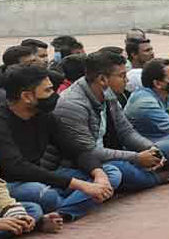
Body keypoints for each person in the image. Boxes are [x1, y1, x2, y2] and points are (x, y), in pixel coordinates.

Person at [0, 66, 121, 222]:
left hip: (42, 176)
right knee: (44, 194)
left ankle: (61, 213)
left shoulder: (45, 116)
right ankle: (74, 204)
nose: (55, 95)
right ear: (27, 96)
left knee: (112, 172)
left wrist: (99, 175)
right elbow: (16, 167)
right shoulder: (2, 121)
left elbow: (76, 149)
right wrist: (80, 186)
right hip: (11, 184)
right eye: (48, 91)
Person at [54, 50, 169, 192]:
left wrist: (150, 149)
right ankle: (162, 178)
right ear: (102, 79)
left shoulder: (108, 92)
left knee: (167, 149)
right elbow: (88, 152)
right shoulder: (73, 104)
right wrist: (136, 157)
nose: (127, 81)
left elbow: (126, 132)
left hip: (103, 156)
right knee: (120, 172)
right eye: (122, 76)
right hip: (74, 165)